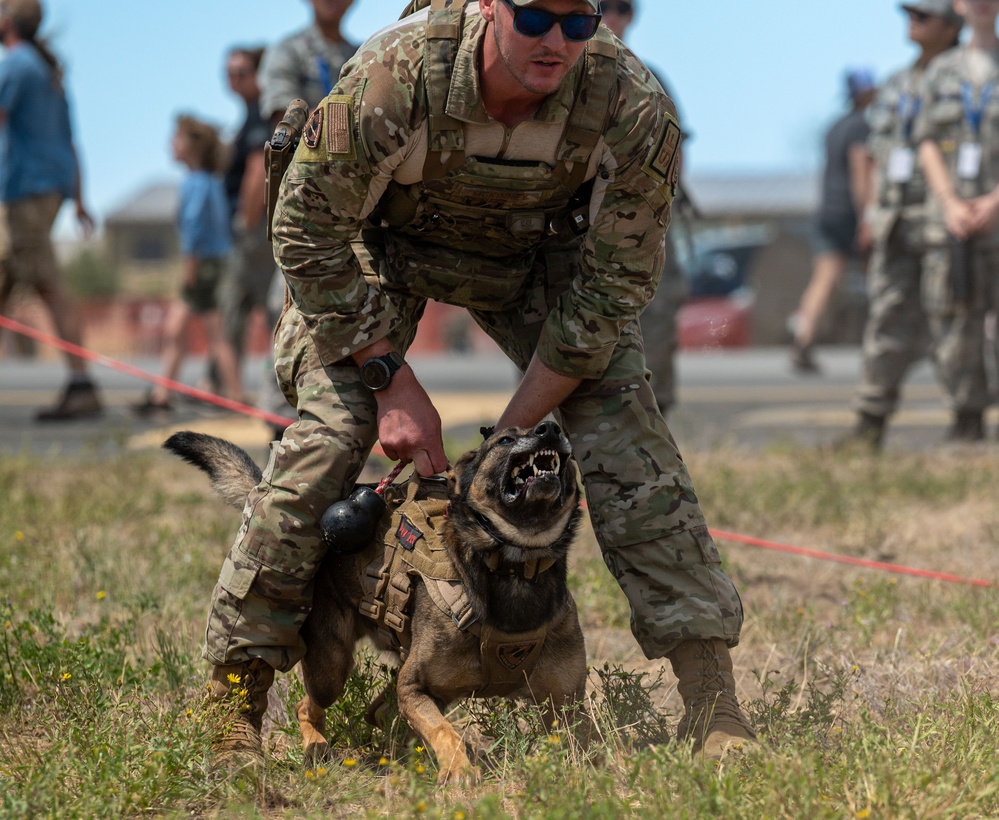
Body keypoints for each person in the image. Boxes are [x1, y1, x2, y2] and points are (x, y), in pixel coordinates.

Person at [204, 0, 757, 768]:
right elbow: (302, 229)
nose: (556, 40)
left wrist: (508, 438)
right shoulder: (396, 77)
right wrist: (388, 380)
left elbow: (612, 290)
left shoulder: (628, 103)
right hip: (375, 256)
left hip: (534, 264)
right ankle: (235, 696)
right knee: (327, 441)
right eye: (533, 17)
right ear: (488, 7)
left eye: (579, 20)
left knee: (628, 437)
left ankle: (711, 701)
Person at [842, 1, 965, 450]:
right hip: (896, 219)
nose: (911, 23)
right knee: (886, 318)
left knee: (952, 320)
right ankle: (869, 422)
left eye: (922, 16)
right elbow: (874, 154)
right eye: (908, 15)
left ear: (952, 26)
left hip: (945, 218)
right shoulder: (896, 83)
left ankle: (966, 420)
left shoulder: (967, 76)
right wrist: (870, 212)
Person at [254, 0, 358, 439]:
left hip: (356, 206)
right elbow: (284, 117)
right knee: (292, 312)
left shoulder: (363, 53)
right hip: (304, 205)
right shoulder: (290, 52)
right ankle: (279, 432)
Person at [0, 0, 99, 421]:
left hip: (25, 192)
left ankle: (82, 385)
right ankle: (81, 384)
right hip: (49, 190)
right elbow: (71, 143)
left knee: (47, 284)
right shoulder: (49, 74)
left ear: (6, 22)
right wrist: (78, 199)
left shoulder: (17, 66)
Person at [600, 0, 690, 417]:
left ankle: (655, 416)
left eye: (622, 8)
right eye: (602, 7)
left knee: (654, 319)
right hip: (575, 225)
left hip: (642, 220)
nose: (612, 17)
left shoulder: (650, 79)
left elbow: (676, 148)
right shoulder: (554, 75)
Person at [916, 0, 999, 442]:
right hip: (954, 222)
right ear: (960, 6)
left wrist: (994, 202)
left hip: (997, 216)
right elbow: (925, 141)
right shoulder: (941, 71)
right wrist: (949, 202)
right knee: (955, 320)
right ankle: (966, 418)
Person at [133, 116, 242, 414]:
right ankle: (165, 394)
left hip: (202, 264)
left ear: (193, 146)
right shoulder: (211, 182)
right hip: (215, 262)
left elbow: (193, 229)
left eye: (177, 138)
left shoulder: (195, 183)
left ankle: (171, 395)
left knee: (191, 330)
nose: (171, 144)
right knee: (191, 330)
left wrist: (189, 269)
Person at [790, 69, 877, 374]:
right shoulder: (861, 126)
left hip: (827, 209)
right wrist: (867, 215)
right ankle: (881, 346)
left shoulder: (834, 126)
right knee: (877, 276)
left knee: (824, 279)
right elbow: (860, 172)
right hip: (849, 214)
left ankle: (803, 338)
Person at [217, 46, 273, 381]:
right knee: (256, 311)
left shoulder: (258, 115)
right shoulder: (251, 114)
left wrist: (244, 223)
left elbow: (257, 171)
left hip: (253, 230)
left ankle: (232, 389)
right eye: (229, 73)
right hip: (254, 229)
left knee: (237, 309)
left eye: (242, 72)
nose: (234, 80)